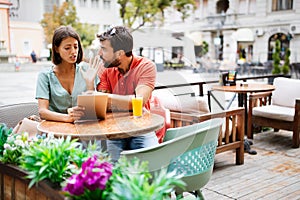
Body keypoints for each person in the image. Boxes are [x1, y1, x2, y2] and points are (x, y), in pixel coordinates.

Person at [96, 26, 158, 162]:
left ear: (119, 53)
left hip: (142, 128)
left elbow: (138, 102)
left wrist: (106, 98)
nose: (100, 53)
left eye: (104, 49)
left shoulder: (146, 66)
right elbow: (101, 105)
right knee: (111, 168)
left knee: (153, 164)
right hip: (114, 130)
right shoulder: (106, 69)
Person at [35, 25, 100, 123]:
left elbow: (96, 107)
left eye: (75, 47)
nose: (73, 52)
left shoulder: (87, 69)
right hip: (56, 130)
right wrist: (68, 118)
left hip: (84, 126)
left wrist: (90, 85)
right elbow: (43, 112)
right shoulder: (45, 76)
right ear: (56, 49)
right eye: (67, 48)